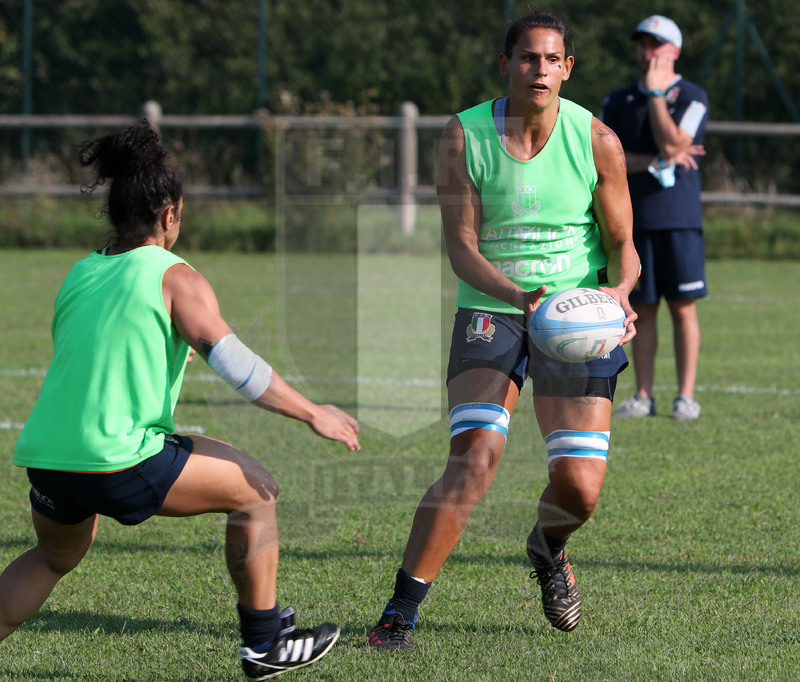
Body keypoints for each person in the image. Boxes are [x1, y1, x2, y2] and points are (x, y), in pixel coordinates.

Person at [0, 122, 360, 681]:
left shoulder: (81, 271)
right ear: (169, 213)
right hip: (115, 456)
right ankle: (264, 643)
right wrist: (316, 412)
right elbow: (234, 362)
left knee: (53, 557)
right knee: (257, 491)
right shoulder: (175, 275)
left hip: (48, 453)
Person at [367, 11, 639, 650]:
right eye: (527, 59)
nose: (538, 70)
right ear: (506, 64)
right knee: (474, 460)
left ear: (568, 68)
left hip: (577, 316)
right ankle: (399, 614)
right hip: (493, 305)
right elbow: (461, 248)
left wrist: (620, 294)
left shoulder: (598, 139)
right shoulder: (462, 136)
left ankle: (548, 546)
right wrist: (521, 295)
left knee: (580, 486)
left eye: (551, 60)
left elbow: (624, 243)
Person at [601, 15, 709, 421]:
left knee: (683, 308)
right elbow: (610, 160)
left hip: (678, 220)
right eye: (643, 43)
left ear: (675, 52)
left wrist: (658, 95)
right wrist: (658, 160)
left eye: (657, 44)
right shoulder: (616, 101)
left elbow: (673, 139)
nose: (648, 52)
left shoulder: (695, 97)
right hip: (632, 221)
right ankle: (643, 396)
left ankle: (685, 397)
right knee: (640, 311)